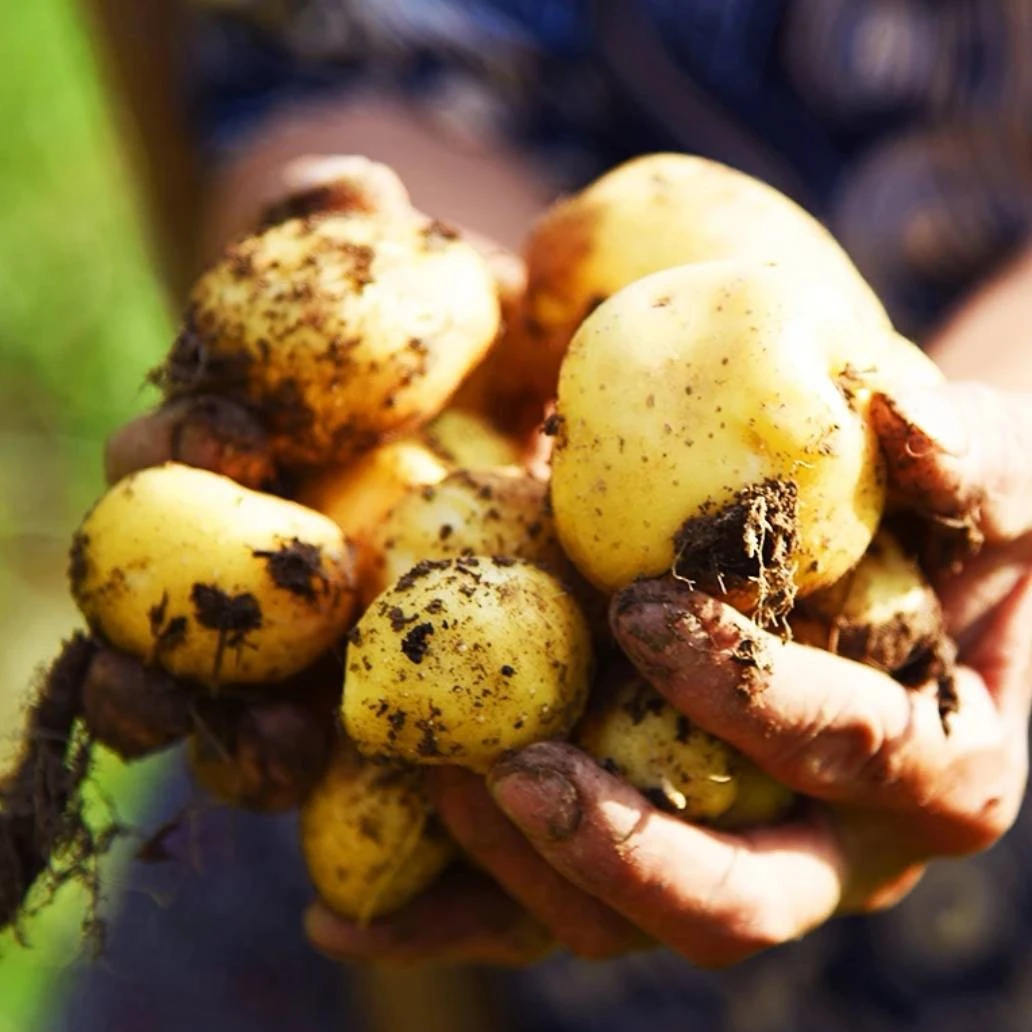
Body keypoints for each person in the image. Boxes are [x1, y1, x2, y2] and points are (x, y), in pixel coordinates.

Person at [58, 1, 1032, 1029]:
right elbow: (362, 50)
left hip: (979, 648)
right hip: (377, 754)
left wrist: (1001, 425)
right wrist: (406, 296)